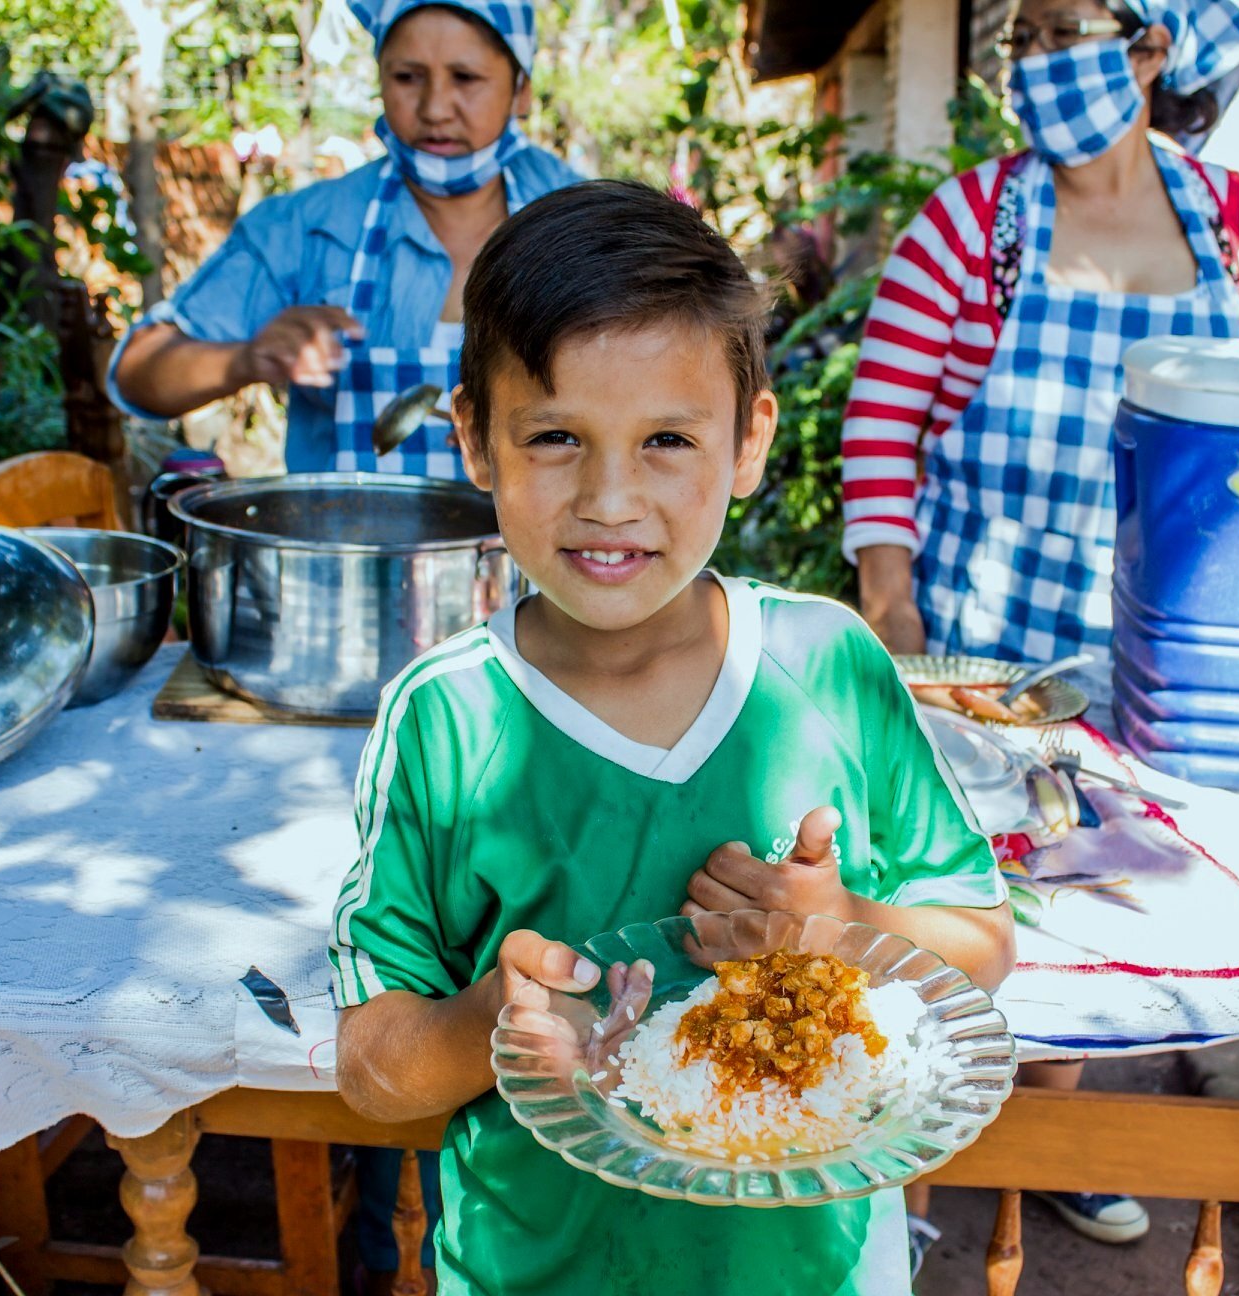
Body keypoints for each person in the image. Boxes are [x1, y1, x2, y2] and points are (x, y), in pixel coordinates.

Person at [328, 180, 1016, 1296]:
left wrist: (847, 929)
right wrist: (493, 1020)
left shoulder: (831, 666)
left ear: (748, 445)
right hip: (532, 1271)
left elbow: (982, 942)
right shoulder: (445, 720)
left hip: (823, 1274)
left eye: (666, 441)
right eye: (555, 436)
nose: (610, 498)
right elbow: (372, 1068)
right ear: (475, 441)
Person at [838, 0, 1239, 1252]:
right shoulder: (978, 226)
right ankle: (910, 1175)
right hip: (987, 653)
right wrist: (890, 596)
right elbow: (881, 421)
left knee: (1096, 904)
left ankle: (1052, 1142)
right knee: (950, 900)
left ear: (1150, 49)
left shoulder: (1230, 224)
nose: (1039, 59)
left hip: (1154, 657)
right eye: (1024, 34)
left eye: (1072, 26)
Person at [107, 0, 579, 477]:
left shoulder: (584, 222)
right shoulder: (304, 226)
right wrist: (244, 360)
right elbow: (136, 375)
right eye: (407, 77)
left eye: (465, 78)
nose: (436, 108)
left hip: (526, 553)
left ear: (521, 90)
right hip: (348, 548)